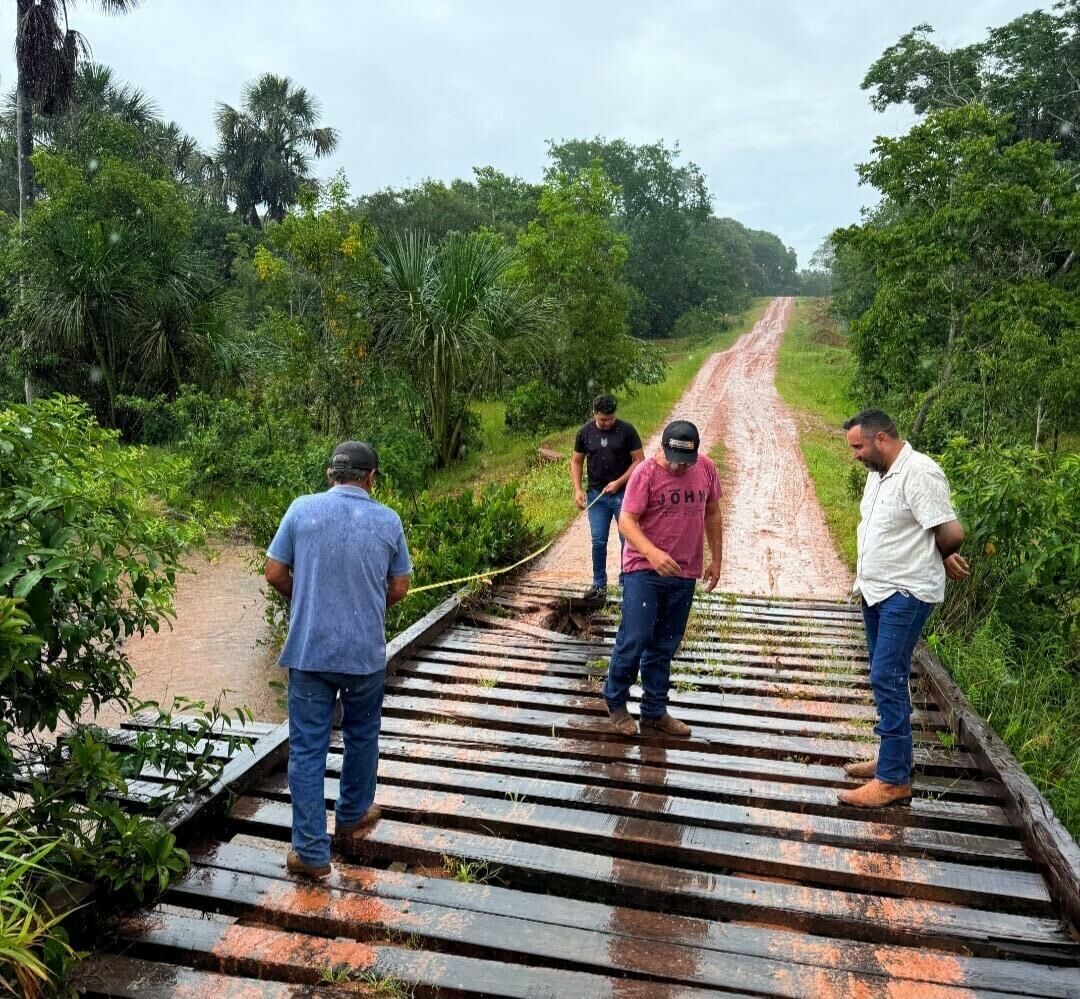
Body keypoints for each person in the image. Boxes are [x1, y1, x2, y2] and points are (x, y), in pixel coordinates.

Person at [265, 441, 412, 878]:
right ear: (371, 478)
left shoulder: (301, 510)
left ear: (331, 475)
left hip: (310, 651)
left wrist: (307, 600)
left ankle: (311, 853)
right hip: (364, 654)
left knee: (308, 748)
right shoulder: (387, 519)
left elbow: (274, 572)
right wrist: (366, 603)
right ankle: (351, 816)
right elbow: (400, 587)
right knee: (362, 734)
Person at [838, 409, 969, 809]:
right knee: (884, 673)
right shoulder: (880, 476)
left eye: (859, 447)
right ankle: (893, 758)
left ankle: (893, 781)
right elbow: (911, 525)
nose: (855, 456)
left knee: (886, 675)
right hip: (877, 590)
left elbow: (950, 530)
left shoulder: (920, 472)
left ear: (881, 440)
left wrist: (946, 552)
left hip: (905, 592)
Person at [602, 420, 723, 738]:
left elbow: (712, 513)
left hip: (685, 571)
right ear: (663, 449)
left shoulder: (707, 469)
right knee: (635, 638)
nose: (680, 467)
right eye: (674, 460)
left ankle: (654, 711)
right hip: (643, 569)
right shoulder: (645, 473)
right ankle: (615, 702)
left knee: (665, 645)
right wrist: (652, 553)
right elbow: (627, 521)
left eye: (686, 461)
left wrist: (717, 559)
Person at [571, 394, 644, 599]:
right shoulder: (585, 433)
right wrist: (577, 489)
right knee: (598, 540)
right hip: (597, 495)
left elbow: (639, 460)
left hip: (624, 494)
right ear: (594, 414)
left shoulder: (627, 430)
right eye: (603, 419)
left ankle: (626, 582)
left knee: (627, 538)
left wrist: (619, 482)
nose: (607, 423)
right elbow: (576, 461)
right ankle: (599, 584)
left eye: (611, 418)